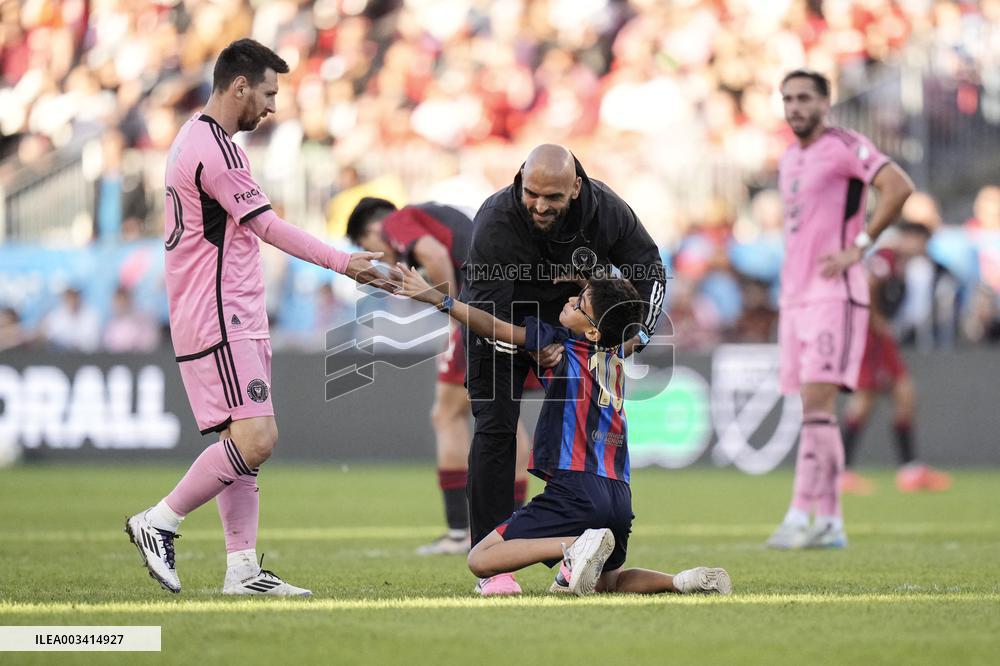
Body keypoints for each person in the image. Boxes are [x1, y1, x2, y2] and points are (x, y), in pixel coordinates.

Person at [124, 39, 391, 597]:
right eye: (268, 92)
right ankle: (160, 520)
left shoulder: (205, 139)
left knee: (240, 441)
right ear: (239, 85)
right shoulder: (213, 148)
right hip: (221, 315)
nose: (272, 106)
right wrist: (344, 263)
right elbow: (267, 227)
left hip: (228, 311)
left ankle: (242, 569)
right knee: (257, 438)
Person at [396, 264, 730, 597]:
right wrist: (589, 284)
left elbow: (496, 327)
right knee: (608, 583)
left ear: (594, 331)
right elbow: (630, 330)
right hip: (618, 493)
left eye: (580, 302)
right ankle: (681, 581)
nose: (571, 299)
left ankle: (575, 545)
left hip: (575, 486)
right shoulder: (616, 352)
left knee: (480, 559)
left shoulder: (558, 344)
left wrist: (438, 300)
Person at [462, 144, 666, 594]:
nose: (539, 205)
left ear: (576, 188)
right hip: (506, 320)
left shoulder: (608, 211)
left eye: (552, 197)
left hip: (576, 319)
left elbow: (651, 270)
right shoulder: (496, 220)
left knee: (594, 424)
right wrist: (535, 346)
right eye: (531, 192)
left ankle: (582, 528)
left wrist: (639, 335)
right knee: (495, 426)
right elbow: (484, 313)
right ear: (519, 178)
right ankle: (496, 572)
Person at [767, 69, 915, 550]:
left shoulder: (845, 145)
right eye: (788, 98)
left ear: (825, 103)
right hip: (795, 298)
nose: (795, 107)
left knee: (817, 404)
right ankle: (829, 520)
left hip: (835, 293)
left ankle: (798, 515)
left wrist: (863, 245)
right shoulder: (789, 158)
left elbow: (898, 186)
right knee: (815, 409)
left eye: (805, 97)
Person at [346, 197, 533, 555]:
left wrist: (449, 311)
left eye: (366, 247)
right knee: (508, 420)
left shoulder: (397, 222)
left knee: (447, 414)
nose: (378, 256)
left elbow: (434, 255)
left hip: (481, 311)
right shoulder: (432, 216)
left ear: (371, 229)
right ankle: (515, 528)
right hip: (510, 308)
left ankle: (460, 532)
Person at [841, 244, 952, 495]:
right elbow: (868, 284)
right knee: (866, 398)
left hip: (878, 337)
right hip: (871, 339)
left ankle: (910, 470)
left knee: (904, 393)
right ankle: (841, 470)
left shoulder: (902, 264)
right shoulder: (887, 257)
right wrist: (877, 320)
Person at [40, 287, 101, 352]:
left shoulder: (91, 314)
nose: (72, 300)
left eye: (75, 296)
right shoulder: (56, 315)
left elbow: (92, 342)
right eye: (69, 296)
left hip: (85, 357)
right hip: (60, 357)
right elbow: (49, 337)